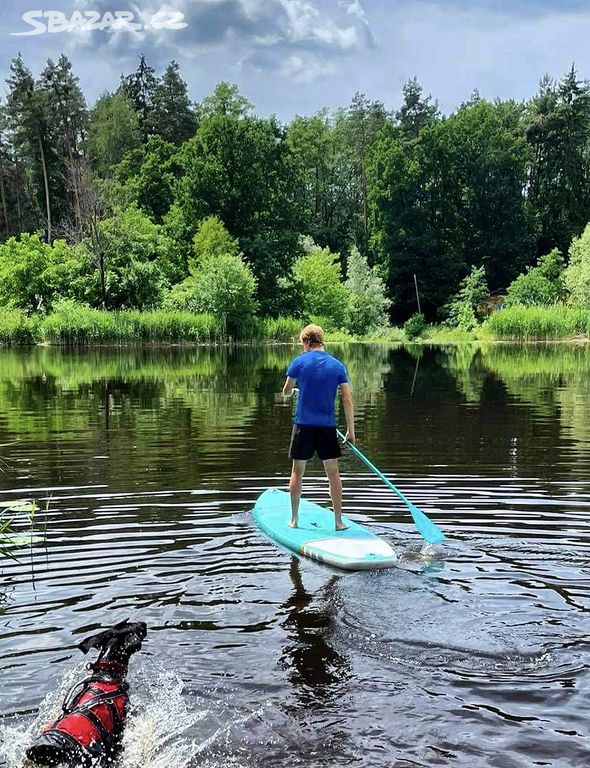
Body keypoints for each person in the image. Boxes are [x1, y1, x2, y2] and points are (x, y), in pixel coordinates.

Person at [282, 324, 355, 531]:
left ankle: (294, 520)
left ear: (306, 341)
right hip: (327, 427)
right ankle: (339, 522)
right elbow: (347, 399)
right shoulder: (338, 366)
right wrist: (350, 430)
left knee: (297, 471)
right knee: (333, 474)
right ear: (320, 340)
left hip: (303, 426)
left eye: (301, 344)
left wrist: (294, 391)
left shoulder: (299, 362)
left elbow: (285, 391)